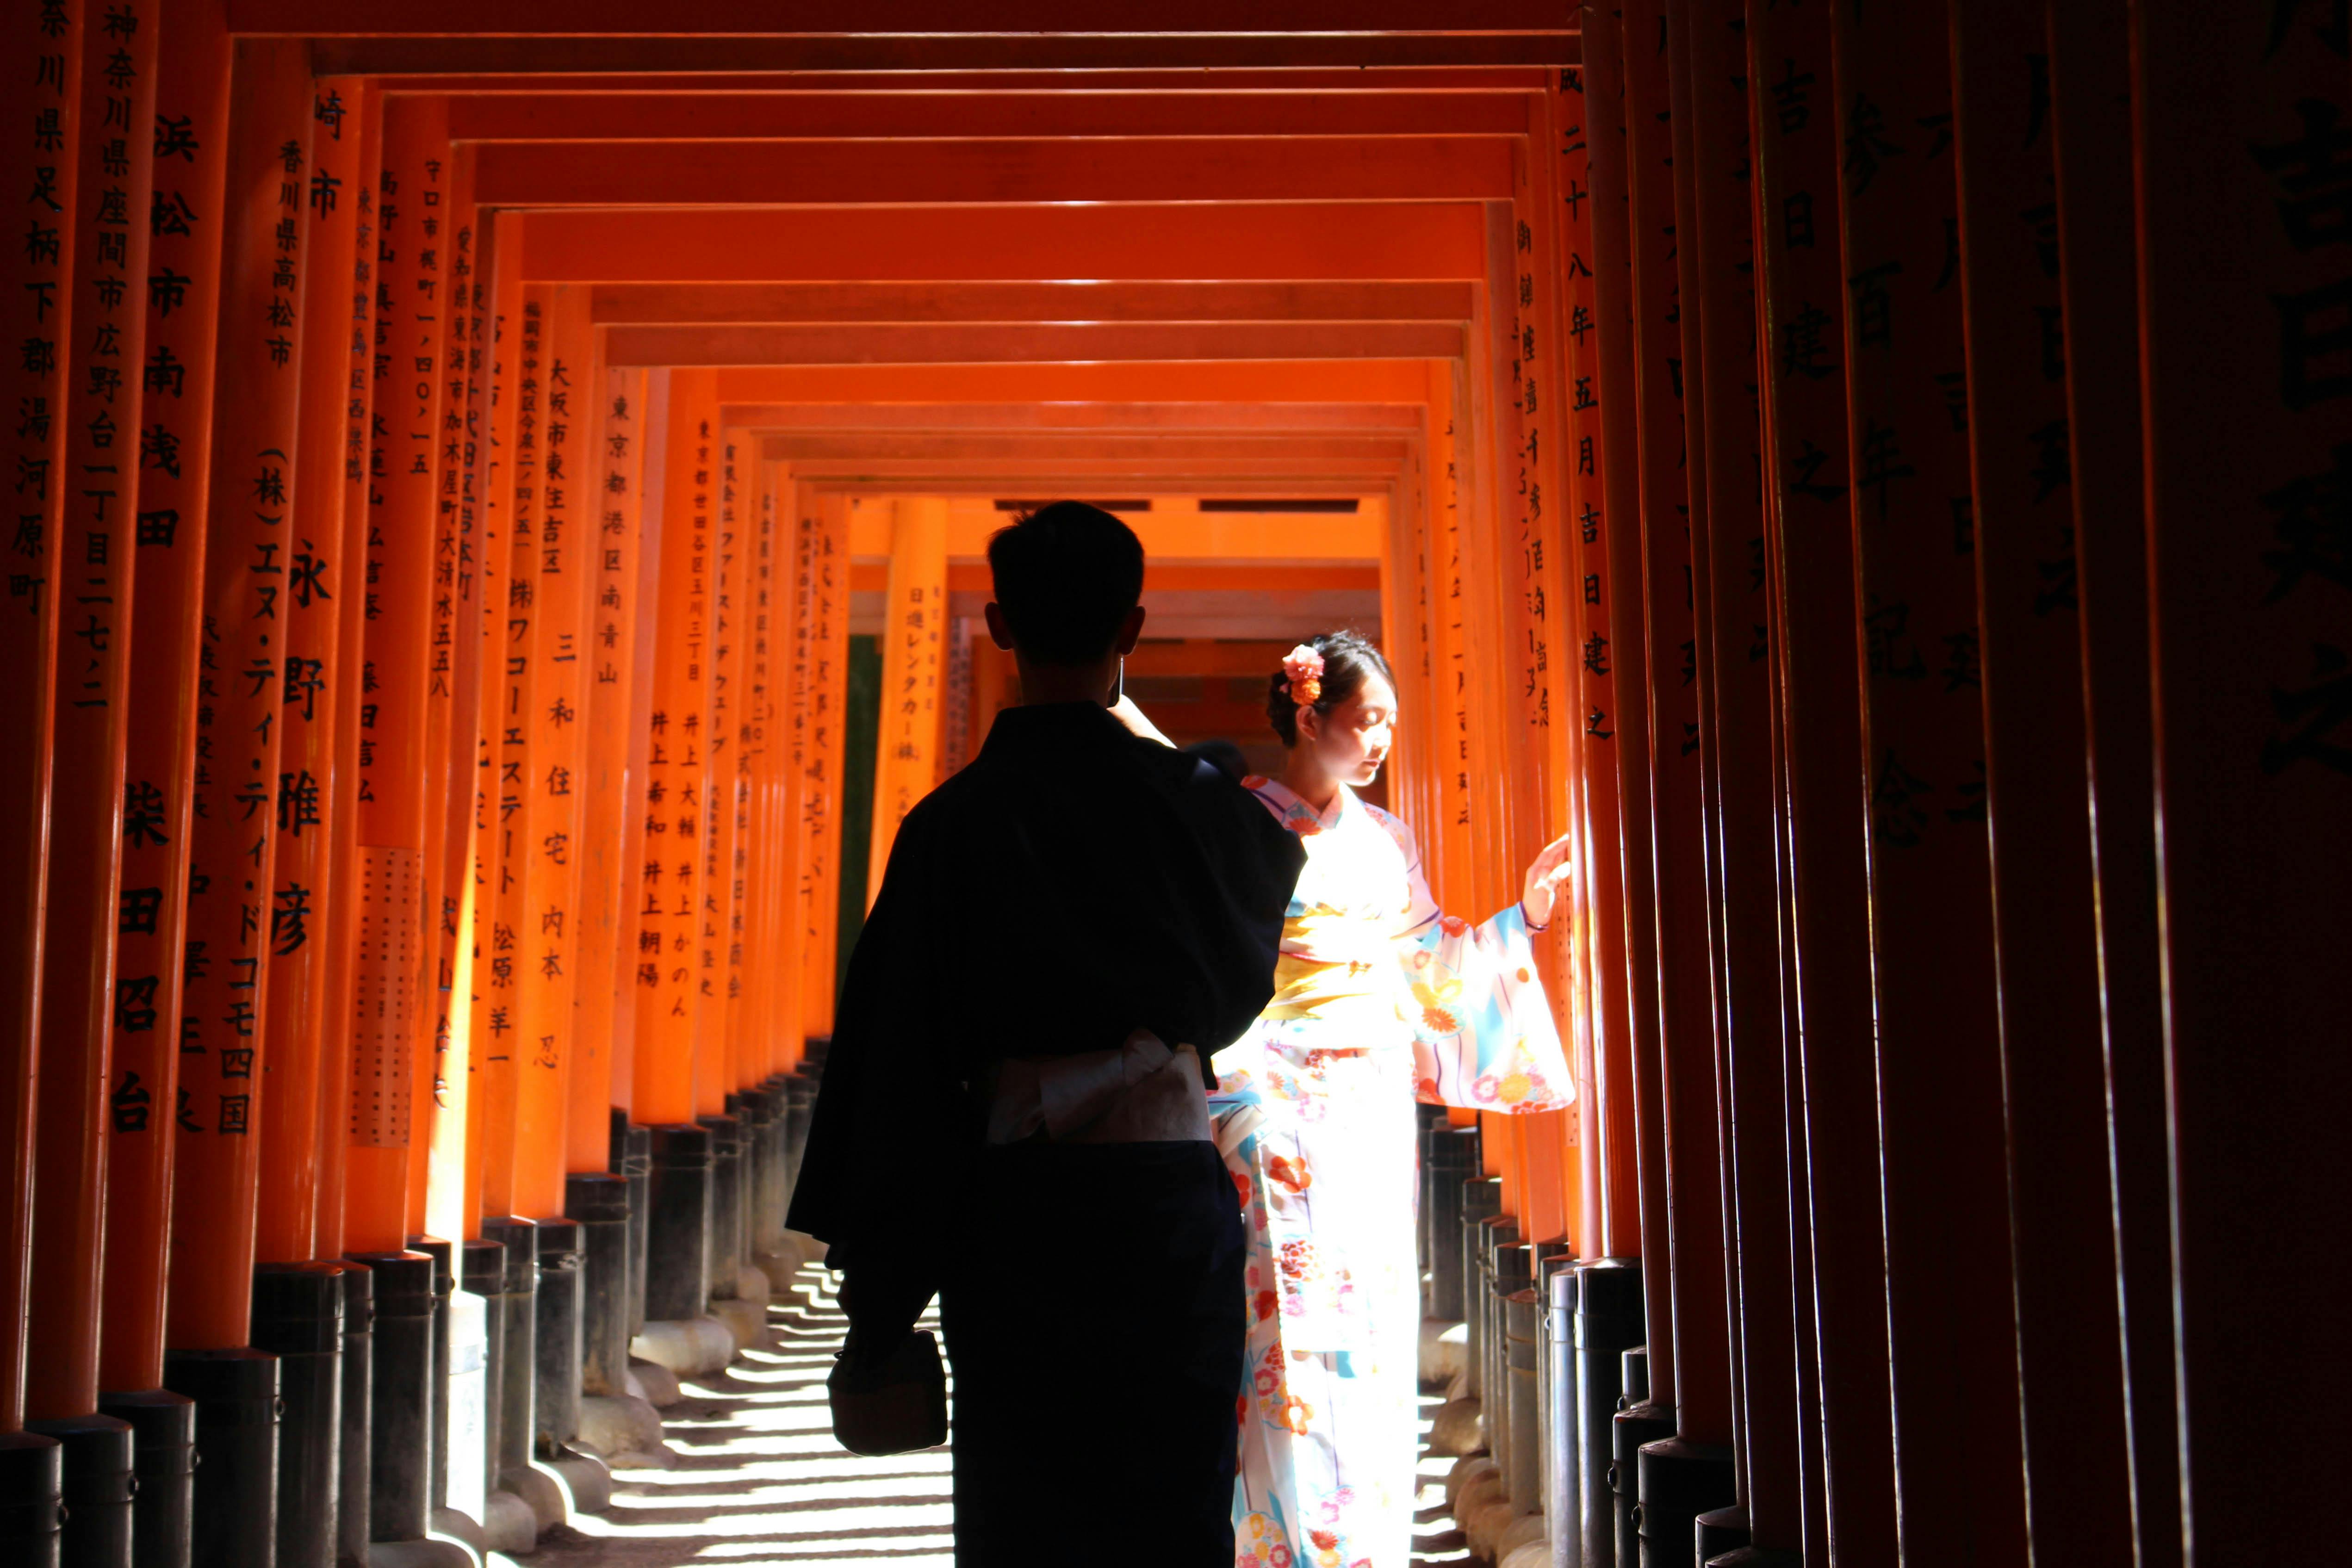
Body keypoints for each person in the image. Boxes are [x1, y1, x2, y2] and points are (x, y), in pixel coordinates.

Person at [787, 502, 1307, 1566]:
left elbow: (900, 1063)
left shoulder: (950, 827)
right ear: (1133, 627)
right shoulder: (1192, 804)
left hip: (1015, 1215)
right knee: (1173, 1500)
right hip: (1163, 1199)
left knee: (1027, 1507)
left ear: (998, 624)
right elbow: (1240, 968)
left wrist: (879, 1304)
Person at [1206, 631, 1576, 1568]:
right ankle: (1282, 1544)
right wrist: (1242, 1094)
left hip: (1369, 1109)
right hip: (1275, 1108)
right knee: (1284, 1326)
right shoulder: (1241, 826)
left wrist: (1522, 917)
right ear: (1308, 713)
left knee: (1371, 1329)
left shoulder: (1383, 839)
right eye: (1366, 719)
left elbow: (1428, 967)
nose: (1379, 742)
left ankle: (1362, 1543)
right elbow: (1209, 978)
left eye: (1389, 725)